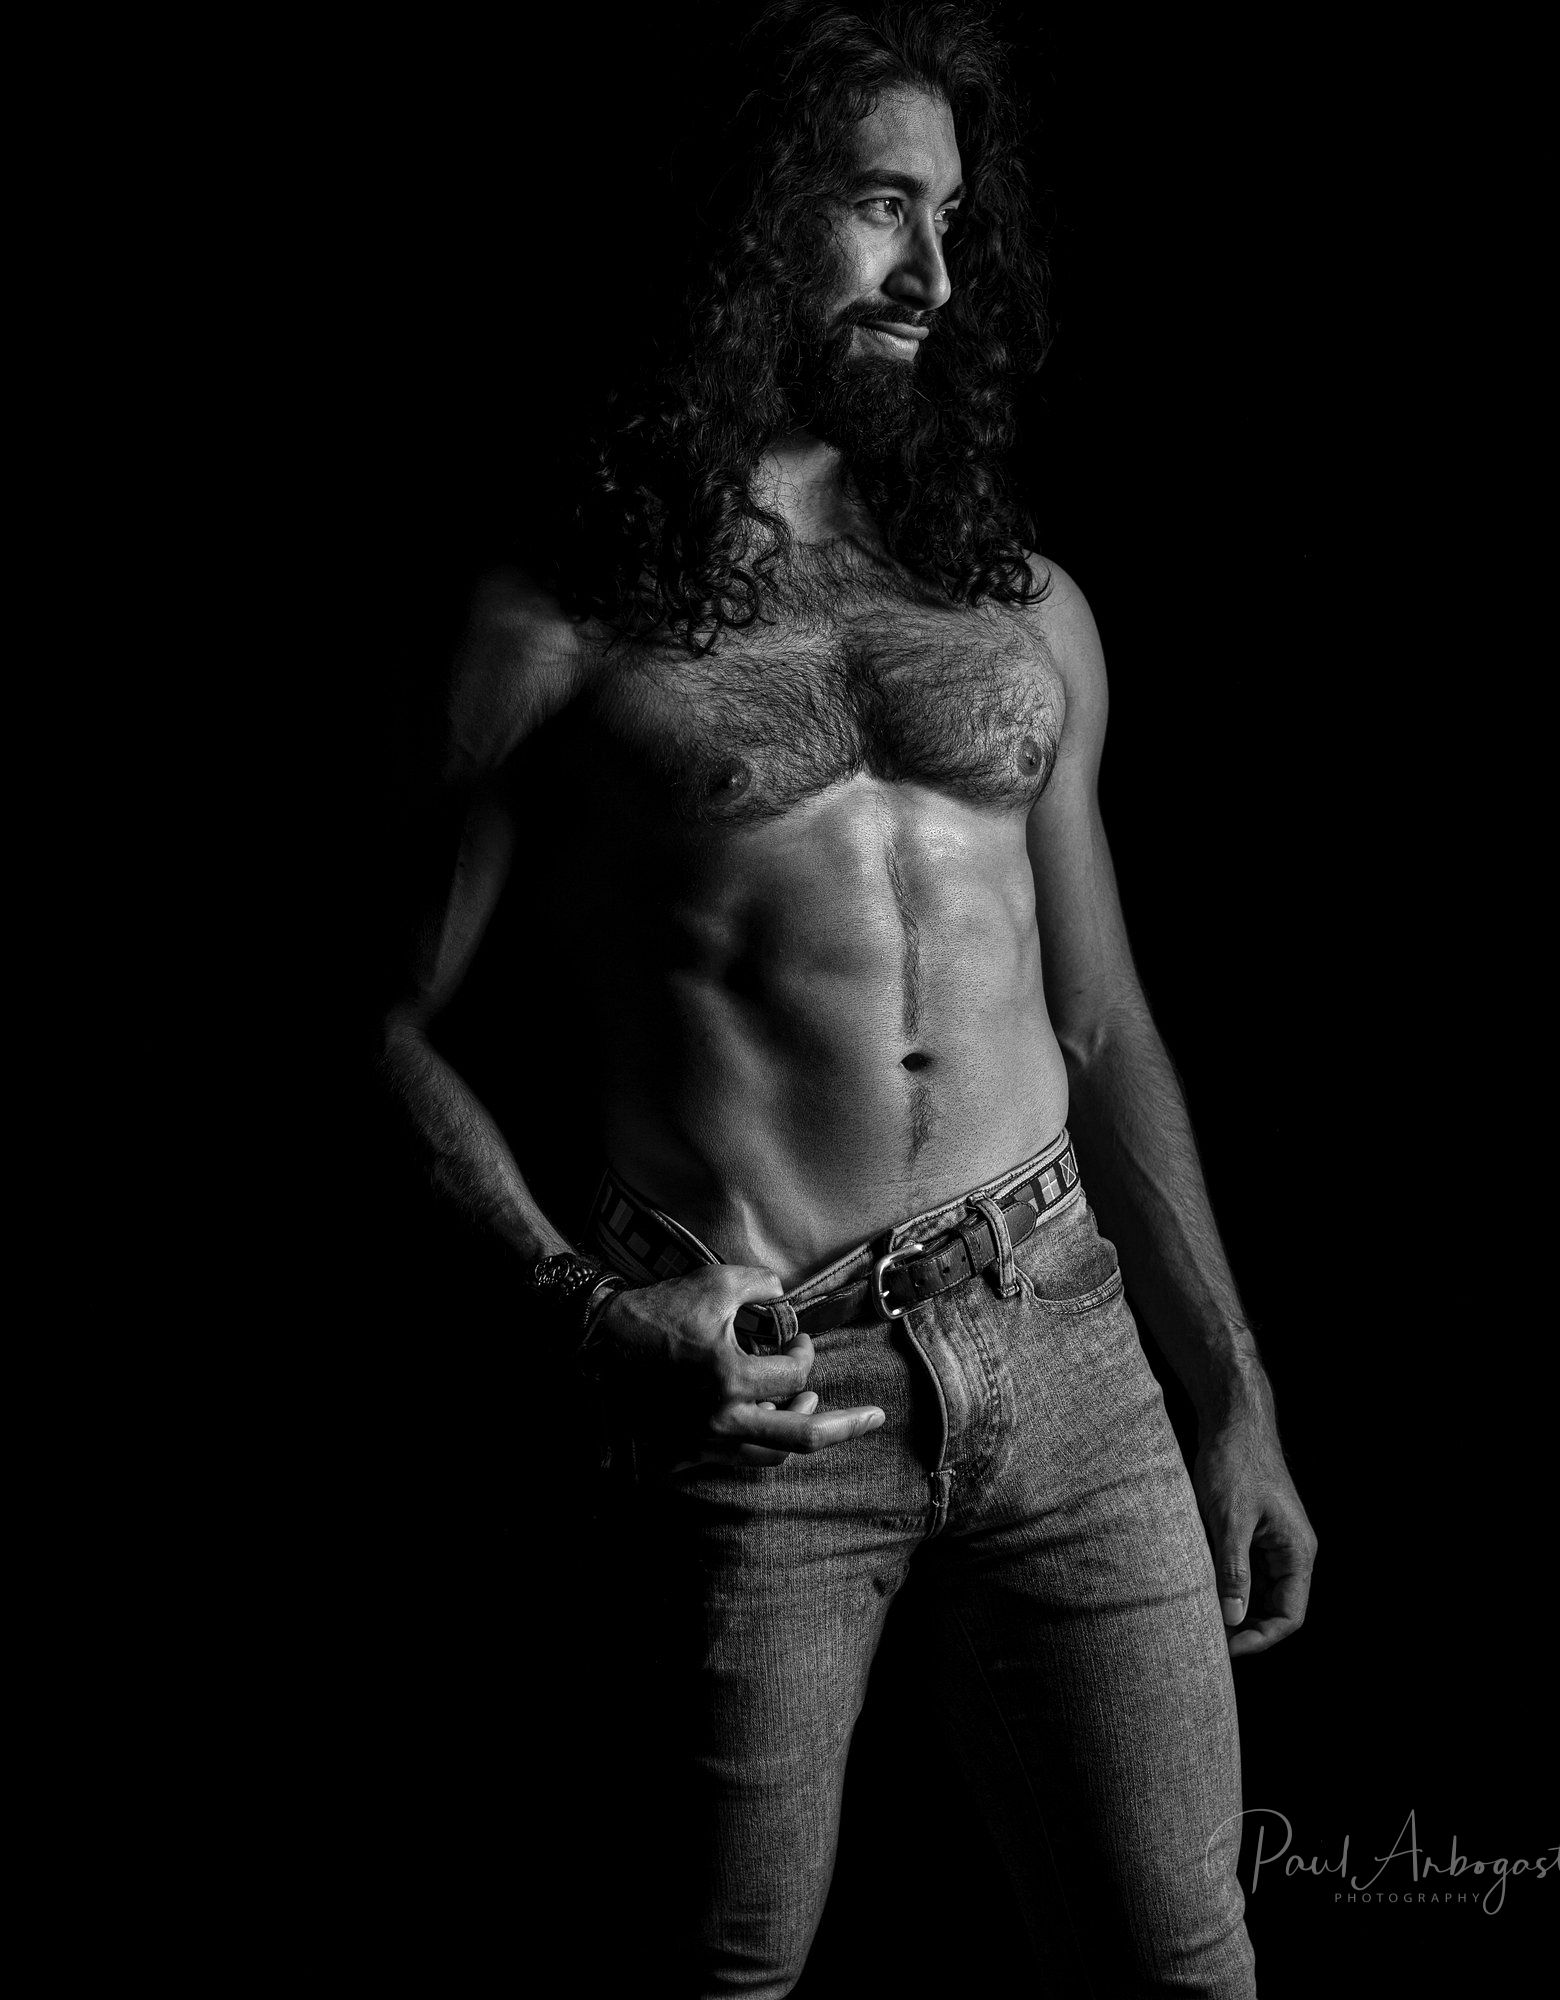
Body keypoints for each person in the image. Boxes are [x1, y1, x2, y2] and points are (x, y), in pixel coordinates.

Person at [379, 4, 1316, 1992]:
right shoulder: (552, 626)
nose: (933, 276)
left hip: (1066, 1346)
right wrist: (577, 1310)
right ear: (749, 219)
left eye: (952, 220)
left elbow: (1101, 1024)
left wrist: (1226, 1383)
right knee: (715, 1974)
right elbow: (372, 1021)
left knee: (1184, 1967)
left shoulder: (1015, 603)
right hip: (765, 1389)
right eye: (883, 206)